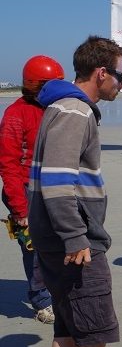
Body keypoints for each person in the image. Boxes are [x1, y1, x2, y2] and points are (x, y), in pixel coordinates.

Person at [27, 36, 122, 347]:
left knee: (68, 326)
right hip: (71, 240)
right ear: (101, 73)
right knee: (94, 326)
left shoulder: (59, 106)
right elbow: (57, 183)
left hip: (53, 237)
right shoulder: (74, 111)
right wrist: (76, 237)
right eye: (120, 76)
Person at [0, 55, 64, 324]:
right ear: (37, 86)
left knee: (60, 245)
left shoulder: (55, 109)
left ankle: (57, 291)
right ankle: (41, 301)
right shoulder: (15, 115)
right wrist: (19, 209)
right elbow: (8, 164)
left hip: (53, 188)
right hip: (25, 192)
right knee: (34, 250)